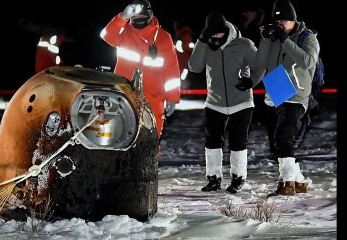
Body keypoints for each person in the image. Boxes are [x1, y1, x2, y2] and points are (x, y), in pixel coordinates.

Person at [188, 12, 265, 194]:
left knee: (238, 141)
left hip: (242, 102)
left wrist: (251, 82)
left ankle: (238, 178)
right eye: (212, 34)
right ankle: (214, 179)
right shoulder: (206, 45)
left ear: (225, 30)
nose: (216, 38)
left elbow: (260, 66)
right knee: (212, 142)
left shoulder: (244, 44)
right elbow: (194, 66)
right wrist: (201, 41)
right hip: (214, 102)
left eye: (219, 34)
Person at [256, 0, 320, 197]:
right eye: (277, 21)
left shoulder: (307, 37)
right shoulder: (275, 37)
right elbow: (260, 63)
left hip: (296, 93)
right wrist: (266, 39)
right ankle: (299, 181)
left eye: (284, 21)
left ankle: (287, 184)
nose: (280, 25)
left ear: (293, 20)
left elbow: (308, 62)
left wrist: (285, 40)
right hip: (276, 92)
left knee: (284, 137)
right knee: (279, 141)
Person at [100, 0, 181, 138]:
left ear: (150, 16)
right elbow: (106, 36)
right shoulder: (123, 31)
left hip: (154, 97)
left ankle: (150, 160)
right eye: (135, 18)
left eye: (142, 18)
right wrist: (121, 17)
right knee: (120, 135)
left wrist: (172, 98)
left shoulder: (163, 37)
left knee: (151, 136)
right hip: (124, 94)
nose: (139, 21)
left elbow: (172, 71)